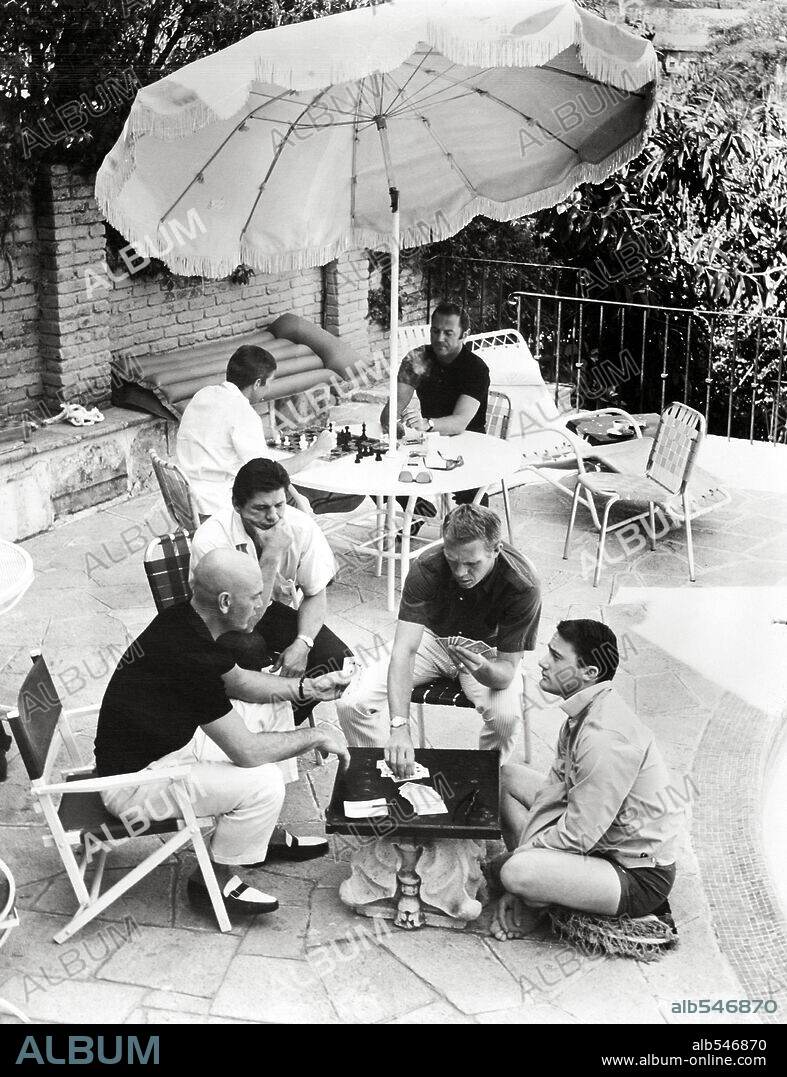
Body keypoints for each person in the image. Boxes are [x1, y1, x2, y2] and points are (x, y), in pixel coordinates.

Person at [94, 549, 352, 916]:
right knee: (263, 782)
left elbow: (241, 682)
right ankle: (209, 881)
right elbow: (246, 751)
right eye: (255, 596)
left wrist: (307, 690)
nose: (262, 604)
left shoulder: (184, 621)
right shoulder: (190, 656)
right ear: (227, 602)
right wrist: (316, 735)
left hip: (166, 750)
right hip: (136, 787)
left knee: (273, 702)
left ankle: (262, 835)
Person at [490, 619, 680, 942]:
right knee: (505, 778)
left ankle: (537, 897)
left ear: (589, 673)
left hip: (635, 873)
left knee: (513, 872)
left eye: (556, 656)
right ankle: (538, 892)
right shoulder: (585, 711)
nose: (543, 661)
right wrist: (531, 852)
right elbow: (554, 797)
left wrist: (518, 862)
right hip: (598, 838)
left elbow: (580, 835)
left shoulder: (604, 738)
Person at [336, 504, 541, 774]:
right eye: (452, 559)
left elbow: (505, 673)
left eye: (471, 563)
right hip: (432, 640)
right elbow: (404, 650)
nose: (460, 572)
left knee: (505, 719)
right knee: (351, 701)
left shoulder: (522, 584)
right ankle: (375, 776)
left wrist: (483, 669)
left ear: (496, 550)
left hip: (487, 652)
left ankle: (485, 779)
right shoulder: (427, 566)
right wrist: (399, 726)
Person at [190, 458, 352, 724]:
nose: (274, 517)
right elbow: (244, 622)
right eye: (261, 508)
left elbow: (315, 593)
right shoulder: (212, 538)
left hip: (269, 610)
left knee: (336, 658)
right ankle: (245, 727)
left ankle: (280, 723)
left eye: (279, 505)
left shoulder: (300, 527)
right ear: (237, 505)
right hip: (221, 620)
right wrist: (272, 555)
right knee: (250, 648)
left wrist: (303, 643)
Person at [176, 343, 363, 517]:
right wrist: (316, 450)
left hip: (187, 497)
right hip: (218, 505)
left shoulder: (204, 394)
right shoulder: (243, 413)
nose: (270, 388)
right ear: (257, 383)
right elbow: (270, 475)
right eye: (269, 382)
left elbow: (218, 428)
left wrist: (261, 432)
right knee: (311, 496)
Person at [381, 301, 491, 525]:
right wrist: (393, 422)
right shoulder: (418, 358)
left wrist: (427, 423)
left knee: (472, 498)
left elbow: (460, 422)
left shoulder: (475, 368)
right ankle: (414, 510)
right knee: (375, 470)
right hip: (428, 442)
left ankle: (473, 541)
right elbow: (391, 410)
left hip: (468, 442)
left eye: (448, 333)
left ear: (464, 334)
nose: (440, 338)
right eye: (435, 331)